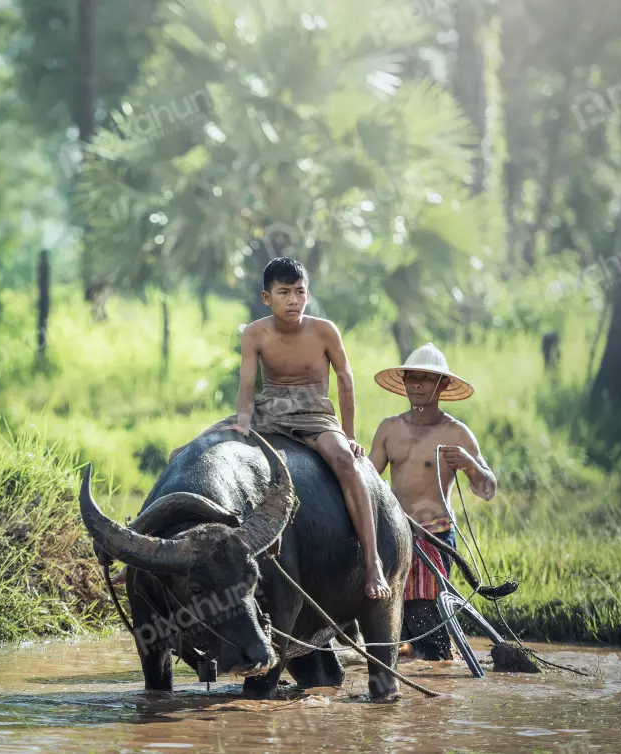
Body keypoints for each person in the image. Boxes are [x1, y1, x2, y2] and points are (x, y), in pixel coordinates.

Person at [166, 257, 391, 599]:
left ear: (308, 294)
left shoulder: (324, 330)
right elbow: (246, 383)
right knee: (181, 452)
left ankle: (373, 562)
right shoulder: (255, 333)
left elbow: (345, 380)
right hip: (269, 411)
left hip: (314, 414)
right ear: (267, 298)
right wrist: (242, 421)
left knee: (346, 462)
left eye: (299, 292)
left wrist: (349, 433)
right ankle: (151, 552)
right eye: (284, 292)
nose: (293, 300)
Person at [367, 342, 497, 660]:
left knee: (425, 614)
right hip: (396, 536)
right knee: (395, 618)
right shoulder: (389, 429)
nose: (417, 385)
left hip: (435, 536)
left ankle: (439, 667)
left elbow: (488, 489)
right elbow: (368, 481)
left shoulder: (456, 433)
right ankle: (420, 667)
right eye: (412, 377)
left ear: (443, 385)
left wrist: (468, 463)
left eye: (425, 379)